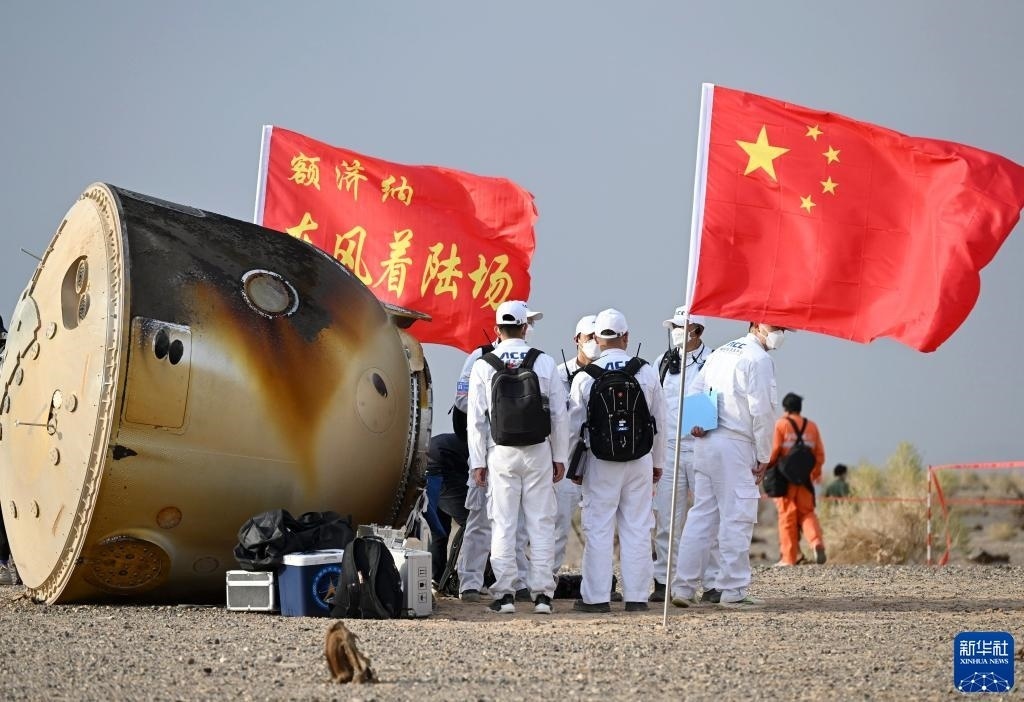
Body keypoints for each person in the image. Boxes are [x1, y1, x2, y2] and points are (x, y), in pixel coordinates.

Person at [672, 321, 784, 608]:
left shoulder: (720, 352)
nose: (779, 334)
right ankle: (733, 590)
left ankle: (683, 588)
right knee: (738, 516)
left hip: (707, 442)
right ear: (755, 325)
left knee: (702, 516)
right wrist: (764, 455)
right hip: (735, 444)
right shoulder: (758, 359)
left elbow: (694, 388)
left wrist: (697, 422)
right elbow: (762, 411)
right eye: (775, 327)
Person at [467, 300, 569, 615]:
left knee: (503, 524)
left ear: (497, 329)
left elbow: (476, 419)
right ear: (525, 328)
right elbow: (559, 414)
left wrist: (478, 462)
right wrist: (560, 456)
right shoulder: (544, 362)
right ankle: (543, 596)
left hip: (500, 453)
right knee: (541, 523)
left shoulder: (484, 364)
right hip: (538, 451)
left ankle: (505, 595)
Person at [568, 309, 666, 613]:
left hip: (600, 462)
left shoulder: (585, 376)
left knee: (598, 529)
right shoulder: (645, 372)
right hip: (640, 460)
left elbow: (573, 428)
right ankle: (636, 597)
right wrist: (658, 462)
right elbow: (660, 421)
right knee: (637, 528)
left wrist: (574, 467)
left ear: (597, 339)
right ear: (626, 337)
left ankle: (596, 598)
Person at [652, 305, 721, 603]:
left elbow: (719, 400)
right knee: (667, 520)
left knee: (707, 516)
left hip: (701, 446)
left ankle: (713, 582)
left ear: (698, 330)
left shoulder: (714, 360)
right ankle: (663, 581)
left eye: (682, 327)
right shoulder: (662, 362)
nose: (676, 332)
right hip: (669, 449)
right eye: (674, 327)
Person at [552, 314, 598, 577]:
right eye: (589, 337)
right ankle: (546, 581)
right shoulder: (558, 374)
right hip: (567, 462)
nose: (594, 342)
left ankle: (597, 583)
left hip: (599, 460)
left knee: (597, 526)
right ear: (577, 339)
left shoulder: (609, 373)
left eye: (597, 337)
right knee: (558, 525)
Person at [770, 393, 827, 566]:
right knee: (807, 513)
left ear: (785, 408)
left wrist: (765, 468)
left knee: (787, 516)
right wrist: (814, 474)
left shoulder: (781, 425)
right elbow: (819, 455)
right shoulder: (812, 426)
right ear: (800, 408)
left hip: (785, 480)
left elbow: (774, 451)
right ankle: (816, 542)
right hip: (805, 480)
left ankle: (789, 558)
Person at [424, 433, 471, 585]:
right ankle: (468, 578)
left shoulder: (463, 440)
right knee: (474, 525)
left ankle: (436, 578)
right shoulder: (485, 446)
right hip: (441, 470)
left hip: (426, 470)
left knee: (438, 530)